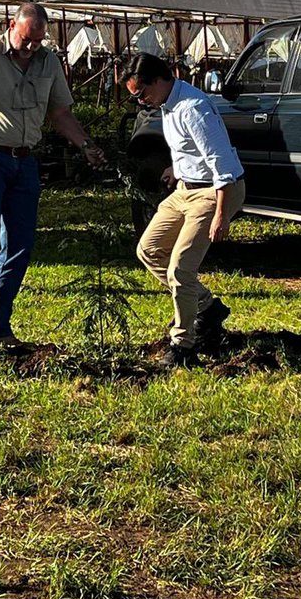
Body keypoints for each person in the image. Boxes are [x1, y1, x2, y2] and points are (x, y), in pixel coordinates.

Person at [0, 2, 105, 349]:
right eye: (27, 39)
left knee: (20, 246)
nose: (31, 47)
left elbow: (60, 112)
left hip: (24, 160)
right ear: (12, 25)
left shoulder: (48, 61)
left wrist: (86, 144)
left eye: (38, 41)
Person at [122, 52, 245, 368]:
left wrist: (220, 215)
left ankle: (183, 346)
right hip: (185, 189)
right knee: (149, 250)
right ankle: (207, 307)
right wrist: (175, 169)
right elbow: (187, 148)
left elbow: (222, 164)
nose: (141, 102)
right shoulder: (166, 105)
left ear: (159, 80)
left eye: (142, 94)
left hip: (215, 193)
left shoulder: (194, 109)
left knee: (180, 269)